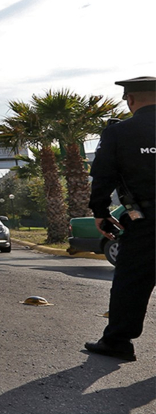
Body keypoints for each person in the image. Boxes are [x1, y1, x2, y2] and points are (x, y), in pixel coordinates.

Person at [84, 76, 156, 362]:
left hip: (147, 220)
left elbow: (103, 176)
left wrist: (100, 212)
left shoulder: (119, 133)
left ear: (131, 100)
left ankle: (118, 342)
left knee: (131, 282)